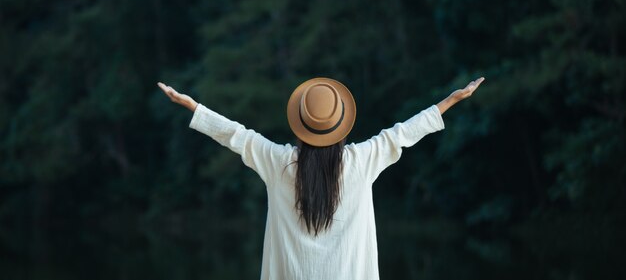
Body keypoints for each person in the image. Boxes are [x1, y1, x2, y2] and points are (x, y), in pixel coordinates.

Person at [157, 76, 485, 280]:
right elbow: (402, 134)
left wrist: (193, 107)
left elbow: (236, 136)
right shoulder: (362, 160)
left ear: (301, 126)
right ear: (340, 127)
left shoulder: (279, 162)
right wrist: (451, 101)